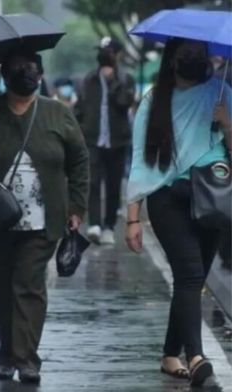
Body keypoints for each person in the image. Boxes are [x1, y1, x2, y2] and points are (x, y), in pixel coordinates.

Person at [0, 48, 89, 384]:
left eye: (32, 67)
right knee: (1, 285)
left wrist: (76, 207)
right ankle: (6, 353)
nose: (27, 72)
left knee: (28, 284)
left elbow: (79, 160)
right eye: (19, 67)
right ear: (5, 75)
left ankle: (26, 359)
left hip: (43, 221)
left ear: (40, 73)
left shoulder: (57, 114)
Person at [125, 38, 232, 386]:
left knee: (193, 280)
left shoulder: (220, 92)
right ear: (173, 61)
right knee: (188, 275)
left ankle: (171, 354)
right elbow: (140, 160)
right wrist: (133, 217)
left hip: (213, 195)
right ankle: (197, 357)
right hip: (166, 198)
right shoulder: (153, 100)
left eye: (198, 57)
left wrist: (226, 122)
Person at [80, 37, 136, 245]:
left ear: (118, 55)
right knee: (93, 183)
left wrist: (113, 82)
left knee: (113, 187)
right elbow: (81, 107)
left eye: (110, 52)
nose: (105, 56)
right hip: (93, 140)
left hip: (117, 142)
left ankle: (109, 225)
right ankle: (94, 224)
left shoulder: (126, 80)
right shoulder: (89, 79)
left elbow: (124, 102)